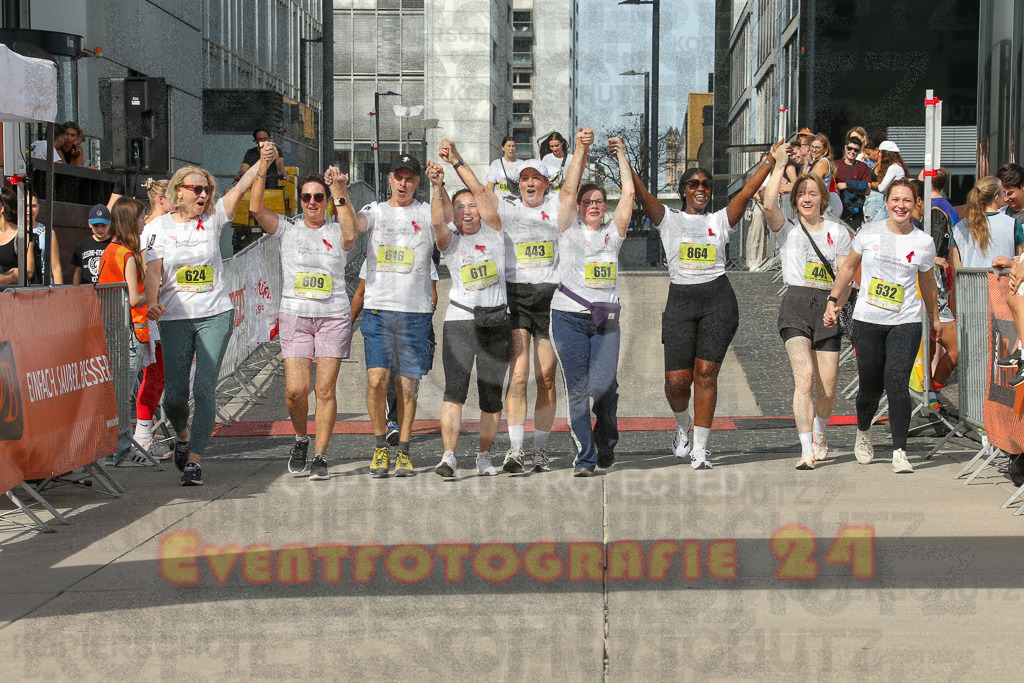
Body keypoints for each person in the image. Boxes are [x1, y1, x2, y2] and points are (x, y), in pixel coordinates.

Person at [633, 145, 775, 469]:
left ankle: (700, 449)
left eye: (706, 185)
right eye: (694, 184)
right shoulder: (669, 221)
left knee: (706, 374)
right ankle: (682, 423)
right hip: (681, 302)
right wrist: (625, 160)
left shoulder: (720, 220)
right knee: (676, 382)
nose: (701, 189)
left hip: (718, 301)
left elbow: (750, 188)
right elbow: (642, 195)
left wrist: (769, 161)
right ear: (683, 190)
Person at [440, 137, 567, 474]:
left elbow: (573, 189)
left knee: (547, 377)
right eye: (524, 178)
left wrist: (579, 151)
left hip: (550, 296)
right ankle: (515, 450)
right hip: (517, 296)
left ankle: (540, 449)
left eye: (535, 178)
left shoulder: (556, 206)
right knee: (519, 375)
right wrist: (456, 160)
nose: (529, 183)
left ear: (545, 181)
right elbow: (480, 194)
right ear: (518, 182)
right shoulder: (506, 209)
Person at [145, 160, 265, 486]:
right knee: (174, 397)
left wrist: (264, 160)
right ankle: (182, 436)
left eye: (207, 189)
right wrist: (152, 300)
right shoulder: (157, 228)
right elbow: (153, 271)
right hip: (174, 318)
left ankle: (195, 460)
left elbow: (240, 187)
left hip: (215, 314)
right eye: (196, 189)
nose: (203, 194)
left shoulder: (213, 219)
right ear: (178, 192)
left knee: (204, 388)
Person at [249, 146, 356, 481]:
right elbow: (254, 208)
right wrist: (264, 164)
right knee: (296, 391)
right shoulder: (288, 228)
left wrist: (340, 193)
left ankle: (321, 455)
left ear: (326, 201)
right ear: (301, 201)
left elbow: (352, 235)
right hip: (295, 316)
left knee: (324, 390)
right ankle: (300, 438)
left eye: (318, 197)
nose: (312, 202)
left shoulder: (337, 230)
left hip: (332, 316)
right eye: (307, 197)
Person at [824, 179, 940, 474]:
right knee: (870, 386)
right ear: (886, 202)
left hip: (906, 320)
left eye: (907, 201)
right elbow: (849, 267)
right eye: (895, 200)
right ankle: (863, 432)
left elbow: (927, 283)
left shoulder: (923, 242)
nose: (901, 205)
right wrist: (835, 300)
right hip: (868, 320)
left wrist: (934, 317)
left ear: (916, 205)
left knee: (897, 381)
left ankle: (900, 450)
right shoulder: (870, 232)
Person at [339, 154, 435, 478]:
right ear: (390, 179)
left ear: (417, 182)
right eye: (398, 177)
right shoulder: (375, 211)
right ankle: (381, 445)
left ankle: (404, 451)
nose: (404, 183)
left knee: (407, 387)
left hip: (414, 312)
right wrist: (341, 193)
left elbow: (447, 227)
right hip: (379, 309)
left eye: (410, 178)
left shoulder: (426, 212)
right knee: (376, 380)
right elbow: (352, 228)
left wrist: (442, 184)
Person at [764, 143, 853, 470]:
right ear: (795, 200)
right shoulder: (787, 231)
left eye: (813, 193)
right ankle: (805, 450)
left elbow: (845, 275)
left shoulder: (838, 233)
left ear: (822, 199)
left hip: (827, 307)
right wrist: (780, 164)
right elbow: (768, 202)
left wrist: (836, 304)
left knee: (827, 388)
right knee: (804, 380)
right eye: (801, 193)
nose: (806, 198)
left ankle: (820, 428)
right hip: (796, 306)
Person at [550, 131, 633, 476]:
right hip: (568, 317)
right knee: (579, 388)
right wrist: (581, 150)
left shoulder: (613, 234)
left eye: (600, 201)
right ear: (580, 208)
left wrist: (622, 156)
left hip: (605, 321)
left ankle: (606, 442)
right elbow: (569, 191)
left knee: (606, 388)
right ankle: (584, 458)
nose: (595, 206)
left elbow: (629, 192)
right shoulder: (568, 229)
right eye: (589, 202)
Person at [428, 167, 512, 478]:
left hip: (496, 321)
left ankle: (484, 457)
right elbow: (437, 221)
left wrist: (460, 166)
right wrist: (437, 185)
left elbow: (487, 199)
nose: (467, 211)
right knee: (454, 391)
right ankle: (448, 456)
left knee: (491, 397)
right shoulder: (450, 241)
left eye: (472, 205)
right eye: (460, 207)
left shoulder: (497, 233)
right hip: (460, 321)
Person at [351, 258, 440, 447]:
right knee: (386, 374)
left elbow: (432, 294)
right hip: (383, 320)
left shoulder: (422, 255)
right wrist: (347, 323)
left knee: (407, 381)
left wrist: (420, 320)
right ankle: (392, 423)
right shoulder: (374, 255)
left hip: (414, 321)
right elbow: (361, 292)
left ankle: (400, 423)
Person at [97, 198, 150, 465]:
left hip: (115, 329)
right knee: (122, 394)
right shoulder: (127, 254)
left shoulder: (110, 250)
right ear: (132, 220)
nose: (144, 221)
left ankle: (117, 449)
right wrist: (150, 294)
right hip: (129, 332)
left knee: (118, 393)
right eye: (142, 217)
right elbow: (133, 298)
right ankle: (116, 451)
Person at [134, 178, 174, 461]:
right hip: (150, 315)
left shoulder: (167, 225)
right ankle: (142, 437)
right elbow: (147, 272)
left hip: (165, 310)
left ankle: (146, 434)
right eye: (177, 195)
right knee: (154, 375)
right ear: (161, 199)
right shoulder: (148, 230)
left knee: (161, 375)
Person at [834, 136, 872, 230]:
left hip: (854, 211)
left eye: (856, 150)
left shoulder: (863, 167)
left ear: (859, 151)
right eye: (850, 148)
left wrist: (847, 185)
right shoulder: (835, 164)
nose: (852, 152)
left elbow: (867, 190)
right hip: (835, 207)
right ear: (845, 147)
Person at [72, 204, 113, 285]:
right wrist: (75, 289)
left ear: (110, 223)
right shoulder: (82, 244)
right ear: (89, 224)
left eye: (103, 225)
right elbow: (78, 270)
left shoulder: (114, 244)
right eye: (96, 225)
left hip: (109, 291)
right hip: (87, 291)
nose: (100, 229)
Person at [0, 186, 34, 285]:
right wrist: (11, 277)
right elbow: (15, 275)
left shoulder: (23, 236)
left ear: (1, 208)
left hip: (14, 296)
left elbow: (29, 272)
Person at [29, 194, 64, 284]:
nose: (29, 210)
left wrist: (60, 294)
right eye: (26, 206)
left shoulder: (47, 232)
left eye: (33, 206)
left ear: (38, 207)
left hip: (44, 285)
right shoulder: (14, 231)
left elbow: (56, 267)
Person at [808, 133, 844, 217]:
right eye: (812, 146)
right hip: (818, 208)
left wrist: (790, 187)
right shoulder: (815, 161)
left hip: (822, 210)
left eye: (817, 148)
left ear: (825, 150)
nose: (814, 150)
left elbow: (810, 184)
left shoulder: (822, 163)